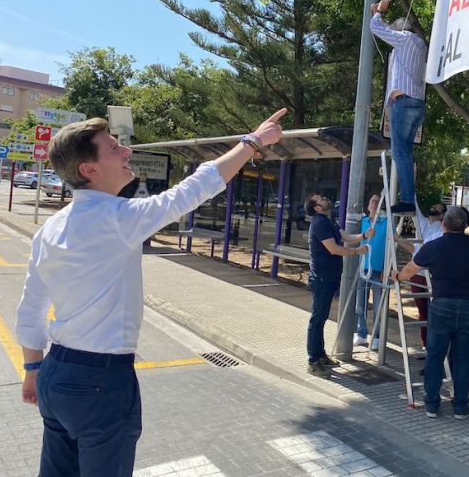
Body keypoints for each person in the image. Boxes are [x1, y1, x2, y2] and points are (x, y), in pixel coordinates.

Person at [15, 109, 287, 477]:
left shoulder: (49, 229)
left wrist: (32, 369)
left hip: (55, 375)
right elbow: (193, 189)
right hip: (101, 381)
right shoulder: (118, 217)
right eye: (113, 149)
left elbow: (30, 309)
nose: (126, 152)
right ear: (88, 170)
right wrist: (252, 142)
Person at [393, 207, 469, 420]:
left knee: (435, 355)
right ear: (466, 225)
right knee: (463, 358)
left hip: (441, 307)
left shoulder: (434, 246)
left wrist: (397, 276)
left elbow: (410, 270)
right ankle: (460, 406)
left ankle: (431, 404)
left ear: (443, 225)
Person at [304, 193, 372, 379]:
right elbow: (333, 248)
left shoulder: (329, 221)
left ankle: (320, 355)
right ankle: (313, 361)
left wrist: (364, 235)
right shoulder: (320, 224)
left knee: (322, 317)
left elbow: (347, 237)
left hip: (329, 277)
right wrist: (357, 251)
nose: (326, 198)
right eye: (321, 199)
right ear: (317, 208)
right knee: (317, 319)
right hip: (322, 278)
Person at [369, 0, 427, 214]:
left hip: (403, 102)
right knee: (406, 153)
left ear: (399, 30)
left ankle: (407, 200)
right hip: (417, 104)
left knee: (400, 153)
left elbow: (376, 27)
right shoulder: (419, 44)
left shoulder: (403, 39)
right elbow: (381, 29)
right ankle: (408, 198)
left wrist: (380, 11)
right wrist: (377, 16)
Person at [395, 200, 446, 358]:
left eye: (439, 207)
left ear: (443, 214)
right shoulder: (422, 224)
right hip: (417, 275)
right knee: (422, 312)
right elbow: (415, 250)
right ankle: (426, 346)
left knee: (434, 312)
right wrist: (399, 240)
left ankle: (436, 347)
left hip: (431, 275)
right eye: (434, 205)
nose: (434, 207)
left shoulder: (442, 230)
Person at [354, 194, 389, 350]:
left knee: (377, 305)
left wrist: (386, 268)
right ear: (368, 206)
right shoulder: (362, 223)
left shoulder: (386, 223)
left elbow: (390, 247)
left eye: (377, 201)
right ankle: (361, 333)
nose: (374, 203)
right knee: (360, 303)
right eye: (372, 201)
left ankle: (376, 335)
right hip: (362, 267)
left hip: (378, 269)